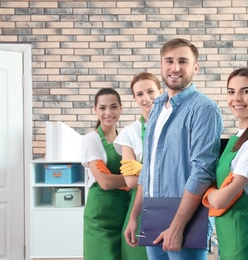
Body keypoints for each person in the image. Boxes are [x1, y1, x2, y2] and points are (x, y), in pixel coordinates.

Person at [124, 38, 223, 260]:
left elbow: (202, 172)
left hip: (186, 218)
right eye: (169, 61)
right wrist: (135, 216)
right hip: (153, 214)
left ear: (195, 68)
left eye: (183, 61)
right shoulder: (157, 107)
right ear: (161, 66)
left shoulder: (204, 108)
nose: (175, 67)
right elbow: (148, 167)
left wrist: (177, 226)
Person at [202, 67, 248, 260]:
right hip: (231, 233)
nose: (236, 98)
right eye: (231, 91)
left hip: (247, 236)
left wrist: (207, 192)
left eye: (245, 91)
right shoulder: (238, 138)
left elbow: (221, 200)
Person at [114, 72, 163, 260]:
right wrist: (162, 170)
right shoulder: (129, 133)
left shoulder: (176, 126)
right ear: (134, 98)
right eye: (139, 94)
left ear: (161, 91)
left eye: (151, 91)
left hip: (175, 203)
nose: (146, 98)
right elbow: (132, 181)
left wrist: (142, 168)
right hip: (142, 206)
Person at [81, 88, 130, 260]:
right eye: (102, 108)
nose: (108, 113)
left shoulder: (126, 138)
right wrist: (135, 178)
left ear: (121, 108)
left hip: (124, 214)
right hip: (100, 218)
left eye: (113, 107)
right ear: (95, 110)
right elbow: (105, 182)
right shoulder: (91, 139)